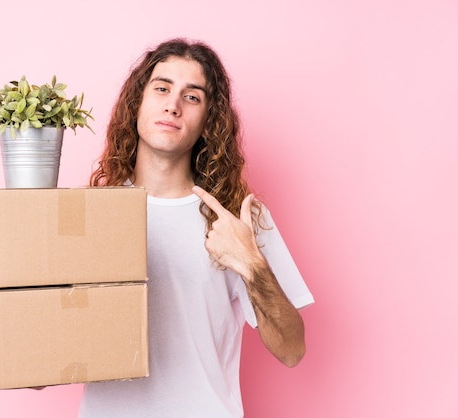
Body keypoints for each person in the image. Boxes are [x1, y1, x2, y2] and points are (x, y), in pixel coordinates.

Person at [79, 38, 314, 418]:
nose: (172, 104)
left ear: (208, 120)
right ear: (137, 102)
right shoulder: (90, 214)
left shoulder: (238, 218)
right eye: (162, 88)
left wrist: (251, 262)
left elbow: (292, 350)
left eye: (192, 97)